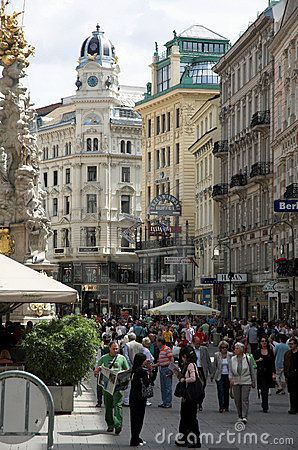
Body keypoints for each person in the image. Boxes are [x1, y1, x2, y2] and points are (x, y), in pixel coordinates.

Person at [94, 341, 129, 434]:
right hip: (107, 386)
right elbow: (96, 370)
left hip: (118, 386)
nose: (115, 350)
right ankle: (110, 424)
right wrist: (97, 370)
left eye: (117, 348)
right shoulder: (104, 358)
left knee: (118, 405)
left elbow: (127, 370)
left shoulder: (122, 358)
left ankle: (118, 425)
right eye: (113, 348)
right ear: (109, 348)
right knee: (108, 406)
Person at [174, 346, 201, 448]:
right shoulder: (189, 365)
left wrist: (184, 380)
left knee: (190, 418)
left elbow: (193, 378)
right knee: (186, 417)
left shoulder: (190, 365)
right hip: (188, 396)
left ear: (185, 356)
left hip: (190, 397)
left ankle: (194, 440)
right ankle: (184, 438)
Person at [229, 342, 256, 424]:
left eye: (237, 348)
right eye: (235, 348)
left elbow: (252, 370)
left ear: (241, 349)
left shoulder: (248, 358)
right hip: (236, 381)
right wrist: (231, 378)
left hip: (246, 381)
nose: (235, 350)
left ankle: (244, 416)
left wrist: (253, 381)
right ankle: (239, 415)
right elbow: (230, 370)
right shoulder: (232, 359)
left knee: (244, 399)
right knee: (237, 400)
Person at [129, 353, 150, 447]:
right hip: (140, 398)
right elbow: (147, 383)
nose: (146, 361)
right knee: (139, 419)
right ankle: (135, 439)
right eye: (145, 360)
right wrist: (150, 373)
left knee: (133, 419)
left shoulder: (133, 370)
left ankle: (135, 437)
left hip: (133, 397)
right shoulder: (142, 372)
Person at [254, 336, 276, 413]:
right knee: (263, 389)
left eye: (265, 341)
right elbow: (253, 363)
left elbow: (273, 363)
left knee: (266, 390)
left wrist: (274, 373)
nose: (264, 342)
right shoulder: (257, 352)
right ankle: (265, 405)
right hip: (260, 373)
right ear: (260, 343)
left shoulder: (270, 351)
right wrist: (258, 360)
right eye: (262, 341)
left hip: (268, 373)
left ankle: (265, 405)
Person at [212, 340, 233, 412]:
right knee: (220, 391)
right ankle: (221, 406)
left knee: (226, 391)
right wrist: (212, 375)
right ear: (220, 348)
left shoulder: (230, 355)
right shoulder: (217, 355)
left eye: (226, 347)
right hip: (219, 375)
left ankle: (226, 406)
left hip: (228, 375)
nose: (224, 349)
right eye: (223, 347)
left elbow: (232, 366)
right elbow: (215, 366)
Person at [192, 336, 213, 411]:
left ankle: (200, 402)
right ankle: (195, 403)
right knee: (194, 388)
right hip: (194, 370)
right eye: (196, 343)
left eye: (199, 343)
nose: (198, 345)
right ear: (193, 343)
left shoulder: (204, 349)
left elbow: (208, 361)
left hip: (202, 370)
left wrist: (211, 373)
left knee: (202, 388)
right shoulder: (191, 350)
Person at [123, 332, 143, 406]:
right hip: (139, 367)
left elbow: (126, 356)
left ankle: (126, 400)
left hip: (129, 367)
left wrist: (130, 365)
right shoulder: (140, 345)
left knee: (128, 383)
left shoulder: (127, 345)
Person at [156, 337, 174, 408]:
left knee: (167, 386)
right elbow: (161, 361)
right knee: (163, 386)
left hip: (166, 368)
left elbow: (171, 359)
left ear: (160, 342)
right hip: (162, 368)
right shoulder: (161, 350)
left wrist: (171, 370)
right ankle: (164, 402)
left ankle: (168, 402)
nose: (156, 343)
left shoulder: (167, 349)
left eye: (157, 342)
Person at [94, 332, 111, 407]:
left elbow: (97, 360)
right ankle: (109, 402)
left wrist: (96, 369)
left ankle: (99, 401)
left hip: (102, 370)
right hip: (111, 370)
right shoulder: (113, 348)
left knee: (100, 386)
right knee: (110, 386)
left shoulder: (101, 349)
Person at [284, 337, 298, 414]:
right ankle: (292, 408)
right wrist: (286, 375)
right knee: (292, 392)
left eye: (292, 344)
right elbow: (285, 365)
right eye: (290, 344)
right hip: (291, 375)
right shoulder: (287, 354)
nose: (291, 345)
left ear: (296, 344)